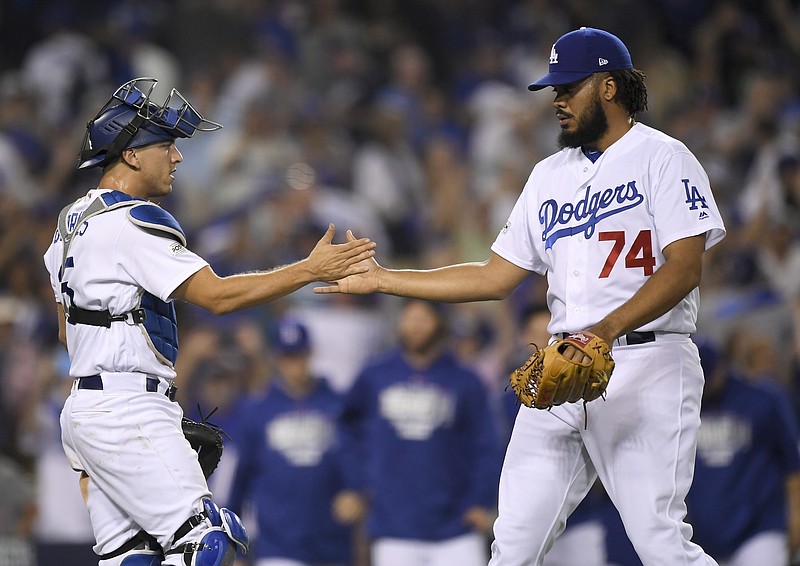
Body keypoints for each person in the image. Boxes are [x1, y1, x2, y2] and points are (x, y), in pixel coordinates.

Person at [316, 27, 727, 565]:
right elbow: (493, 277)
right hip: (560, 367)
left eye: (568, 87)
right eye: (553, 89)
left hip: (647, 361)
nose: (556, 100)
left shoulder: (664, 158)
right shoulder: (548, 175)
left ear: (608, 87)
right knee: (511, 547)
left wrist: (603, 330)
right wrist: (384, 279)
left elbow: (685, 268)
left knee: (659, 540)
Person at [41, 77, 376, 566]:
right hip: (127, 410)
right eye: (166, 146)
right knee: (209, 542)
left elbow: (64, 330)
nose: (176, 157)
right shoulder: (132, 221)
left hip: (84, 410)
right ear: (131, 156)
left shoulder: (71, 222)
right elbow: (216, 297)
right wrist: (310, 269)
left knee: (131, 558)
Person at [333, 299, 502, 566]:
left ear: (440, 324)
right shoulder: (375, 375)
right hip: (394, 527)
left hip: (456, 526)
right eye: (409, 318)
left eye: (423, 319)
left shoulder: (465, 380)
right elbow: (346, 430)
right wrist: (357, 484)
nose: (414, 327)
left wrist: (481, 499)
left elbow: (486, 446)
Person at [228, 316, 355, 566]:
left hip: (332, 542)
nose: (296, 364)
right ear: (276, 359)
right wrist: (236, 547)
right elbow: (240, 481)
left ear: (311, 353)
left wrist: (356, 491)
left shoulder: (336, 403)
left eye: (300, 355)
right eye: (288, 357)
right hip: (278, 544)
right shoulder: (258, 410)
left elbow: (353, 456)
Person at [686, 337, 800, 566]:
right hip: (704, 536)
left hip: (760, 530)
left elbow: (792, 465)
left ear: (721, 367)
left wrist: (797, 516)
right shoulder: (684, 407)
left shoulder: (762, 399)